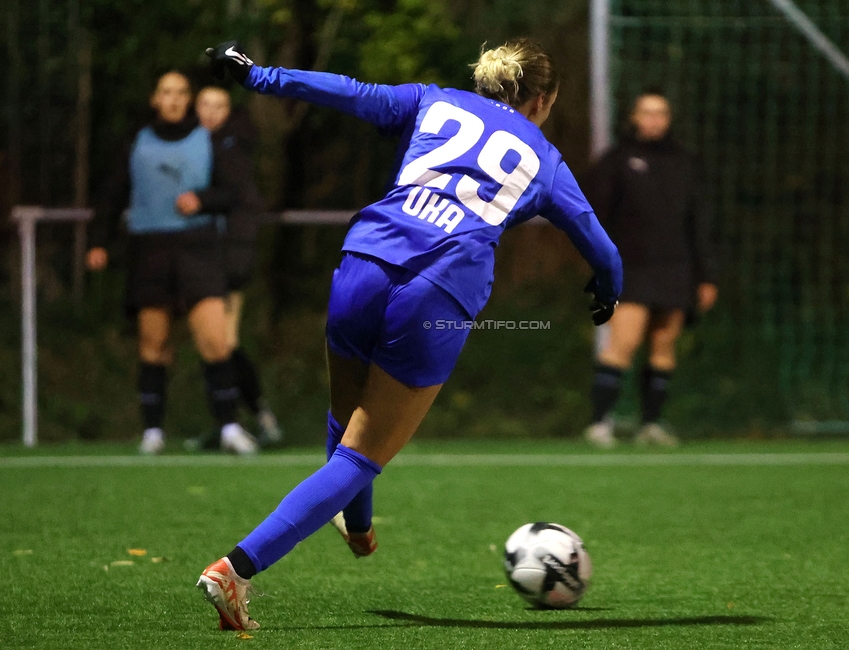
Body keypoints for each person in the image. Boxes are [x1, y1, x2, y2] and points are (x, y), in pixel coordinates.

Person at [195, 38, 623, 630]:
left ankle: (360, 525)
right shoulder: (544, 157)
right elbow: (595, 238)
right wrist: (609, 285)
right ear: (543, 99)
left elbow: (348, 92)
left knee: (349, 427)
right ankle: (234, 569)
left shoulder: (431, 101)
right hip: (439, 288)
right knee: (364, 453)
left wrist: (258, 75)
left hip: (365, 259)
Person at [87, 71, 259, 456]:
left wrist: (203, 200)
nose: (175, 99)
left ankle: (229, 426)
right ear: (155, 99)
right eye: (167, 92)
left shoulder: (210, 140)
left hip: (198, 248)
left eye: (182, 93)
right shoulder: (137, 142)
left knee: (216, 341)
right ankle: (152, 432)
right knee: (154, 344)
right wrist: (98, 242)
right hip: (150, 250)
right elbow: (113, 192)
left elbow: (234, 192)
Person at [582, 88, 719, 449]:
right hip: (633, 268)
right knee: (622, 343)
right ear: (634, 117)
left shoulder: (685, 163)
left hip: (677, 267)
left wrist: (707, 275)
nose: (654, 120)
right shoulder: (616, 160)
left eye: (661, 113)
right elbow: (594, 215)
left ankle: (651, 424)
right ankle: (599, 423)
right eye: (647, 112)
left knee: (663, 345)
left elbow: (699, 222)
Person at [186, 86, 283, 449]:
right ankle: (231, 421)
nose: (211, 112)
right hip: (206, 254)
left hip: (228, 257)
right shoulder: (197, 144)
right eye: (205, 105)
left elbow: (236, 198)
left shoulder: (232, 146)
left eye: (219, 105)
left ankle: (252, 418)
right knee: (217, 344)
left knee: (223, 342)